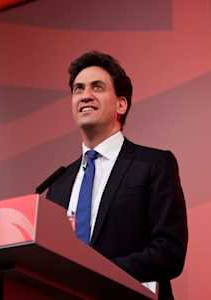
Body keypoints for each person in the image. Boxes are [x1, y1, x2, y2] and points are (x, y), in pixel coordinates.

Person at [46, 51, 188, 300]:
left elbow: (169, 253)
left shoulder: (153, 164)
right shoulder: (57, 185)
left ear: (121, 104)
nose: (85, 96)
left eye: (97, 87)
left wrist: (96, 274)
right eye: (78, 89)